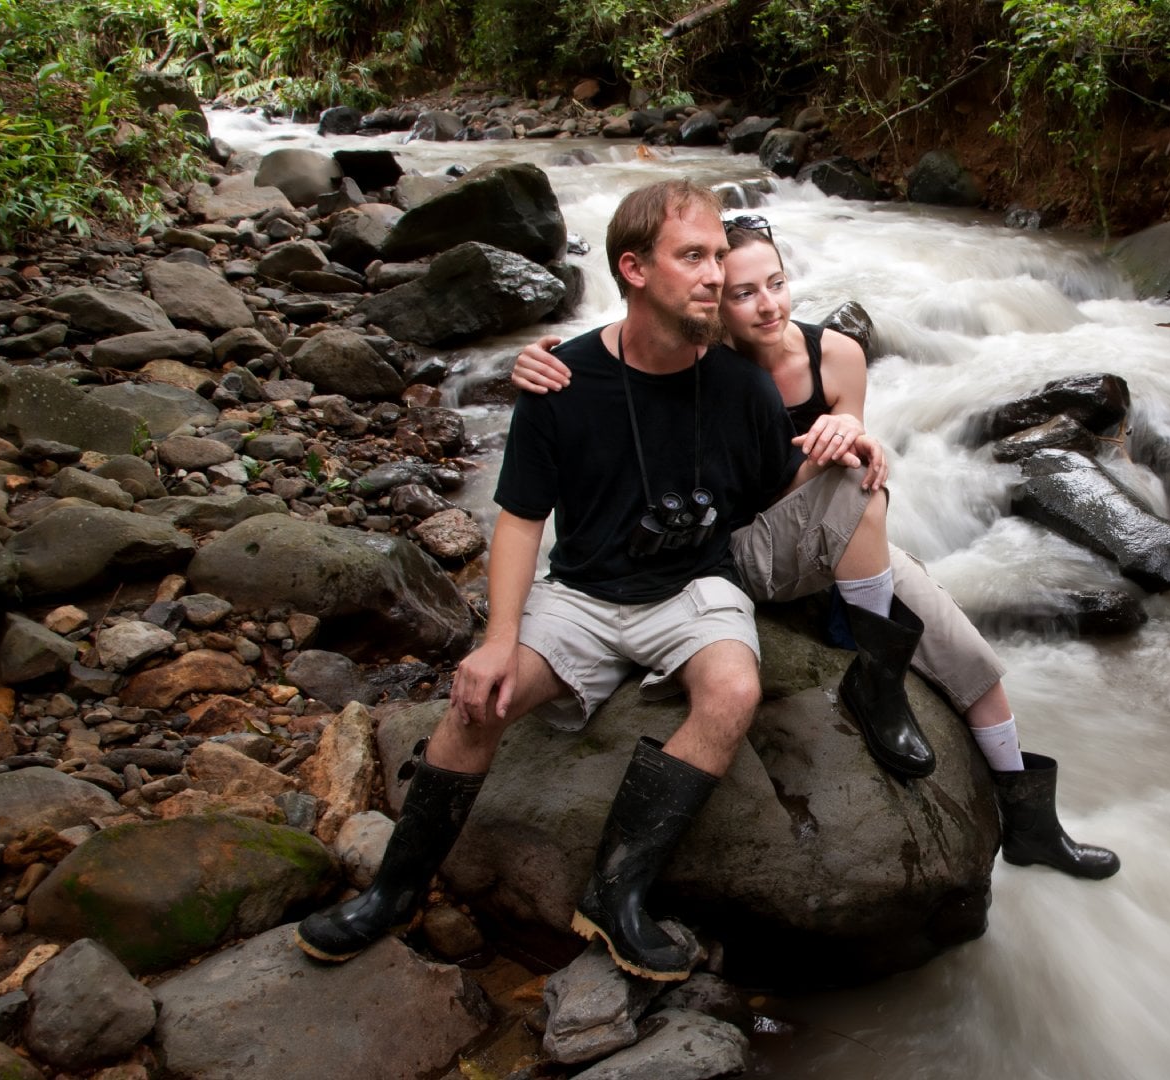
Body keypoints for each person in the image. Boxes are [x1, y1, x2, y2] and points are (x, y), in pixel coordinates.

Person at [296, 179, 839, 982]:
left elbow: (773, 487)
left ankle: (615, 894)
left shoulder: (743, 387)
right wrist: (496, 640)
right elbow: (519, 519)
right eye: (694, 256)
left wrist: (847, 443)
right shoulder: (561, 381)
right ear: (634, 269)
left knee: (730, 692)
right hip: (582, 594)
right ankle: (394, 891)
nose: (717, 275)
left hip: (696, 588)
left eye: (721, 256)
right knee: (482, 698)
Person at [511, 214, 1119, 882]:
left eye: (775, 283)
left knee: (971, 661)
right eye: (742, 293)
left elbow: (858, 472)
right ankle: (873, 674)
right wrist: (538, 360)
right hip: (741, 551)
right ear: (713, 299)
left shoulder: (837, 355)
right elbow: (622, 358)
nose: (767, 304)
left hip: (837, 539)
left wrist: (856, 436)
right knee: (852, 482)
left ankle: (1033, 825)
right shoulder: (704, 361)